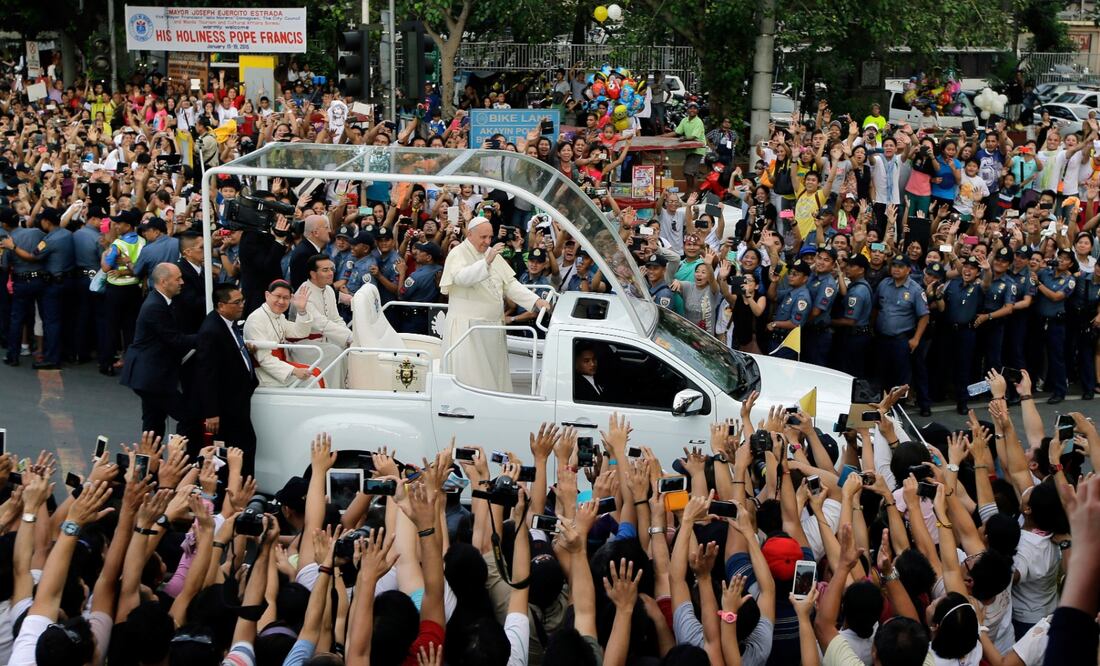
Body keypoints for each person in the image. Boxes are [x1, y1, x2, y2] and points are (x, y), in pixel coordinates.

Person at [439, 216, 549, 392]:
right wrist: (486, 262)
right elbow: (461, 279)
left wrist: (535, 301)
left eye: (490, 237)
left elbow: (510, 285)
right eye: (483, 237)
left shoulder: (490, 253)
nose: (488, 241)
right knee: (474, 382)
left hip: (491, 330)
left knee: (494, 379)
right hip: (468, 332)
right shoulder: (457, 253)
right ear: (470, 234)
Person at [119, 262, 198, 438]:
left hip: (150, 375)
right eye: (178, 279)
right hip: (152, 377)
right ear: (163, 282)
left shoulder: (165, 301)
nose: (182, 282)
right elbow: (175, 339)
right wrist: (207, 337)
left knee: (153, 423)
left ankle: (149, 463)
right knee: (188, 417)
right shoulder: (155, 306)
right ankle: (181, 458)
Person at [191, 285, 258, 474]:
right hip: (226, 406)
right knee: (240, 449)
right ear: (221, 305)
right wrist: (211, 412)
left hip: (236, 401)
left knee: (244, 446)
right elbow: (206, 374)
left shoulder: (228, 324)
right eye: (236, 302)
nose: (241, 305)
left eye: (242, 301)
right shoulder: (211, 331)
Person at [875, 255, 930, 406]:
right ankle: (883, 406)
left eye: (900, 267)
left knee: (900, 377)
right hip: (882, 338)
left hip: (902, 339)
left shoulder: (915, 290)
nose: (896, 269)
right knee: (882, 374)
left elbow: (924, 316)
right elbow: (876, 308)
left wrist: (916, 339)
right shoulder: (884, 284)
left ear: (908, 270)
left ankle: (900, 408)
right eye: (894, 266)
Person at [244, 279, 317, 387]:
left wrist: (301, 311)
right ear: (267, 295)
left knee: (315, 372)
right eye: (278, 296)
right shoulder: (256, 319)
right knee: (311, 379)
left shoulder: (279, 316)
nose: (281, 301)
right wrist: (294, 371)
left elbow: (300, 333)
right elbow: (264, 359)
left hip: (277, 366)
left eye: (285, 298)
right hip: (262, 372)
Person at [99, 208, 146, 376]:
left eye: (119, 223)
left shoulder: (118, 244)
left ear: (128, 225)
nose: (116, 226)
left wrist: (105, 252)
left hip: (116, 290)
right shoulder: (142, 242)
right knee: (130, 329)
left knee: (111, 327)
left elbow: (105, 268)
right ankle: (131, 364)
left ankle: (107, 364)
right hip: (134, 288)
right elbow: (141, 267)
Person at [295, 254, 352, 387]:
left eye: (331, 269)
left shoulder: (329, 290)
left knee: (344, 349)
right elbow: (321, 323)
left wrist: (349, 338)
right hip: (304, 344)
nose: (331, 273)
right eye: (325, 270)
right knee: (335, 351)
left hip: (325, 339)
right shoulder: (303, 293)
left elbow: (336, 319)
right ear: (313, 274)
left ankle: (342, 388)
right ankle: (332, 392)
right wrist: (349, 337)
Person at [1035, 249, 1078, 404]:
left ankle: (1060, 390)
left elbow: (1056, 297)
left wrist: (1038, 284)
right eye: (1059, 257)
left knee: (1056, 357)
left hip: (1056, 322)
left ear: (1071, 264)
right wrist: (1040, 264)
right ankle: (1035, 385)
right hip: (1039, 320)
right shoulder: (1046, 272)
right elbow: (1032, 274)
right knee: (1036, 354)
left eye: (1065, 259)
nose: (1061, 260)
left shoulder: (1070, 280)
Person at [398, 241, 443, 335]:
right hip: (430, 316)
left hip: (413, 320)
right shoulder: (441, 270)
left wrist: (402, 273)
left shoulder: (416, 276)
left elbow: (400, 295)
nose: (417, 252)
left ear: (429, 257)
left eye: (421, 251)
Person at [662, 101, 708, 191]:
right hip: (689, 150)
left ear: (697, 111)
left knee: (688, 172)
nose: (692, 110)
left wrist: (684, 139)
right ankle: (692, 193)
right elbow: (676, 132)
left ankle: (690, 193)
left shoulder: (698, 122)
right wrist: (661, 136)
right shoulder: (684, 120)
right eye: (690, 108)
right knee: (691, 173)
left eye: (694, 108)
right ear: (687, 110)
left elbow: (694, 136)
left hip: (697, 150)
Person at [288, 214, 332, 289]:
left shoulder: (311, 250)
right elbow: (305, 286)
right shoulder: (303, 254)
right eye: (326, 227)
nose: (329, 231)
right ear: (315, 233)